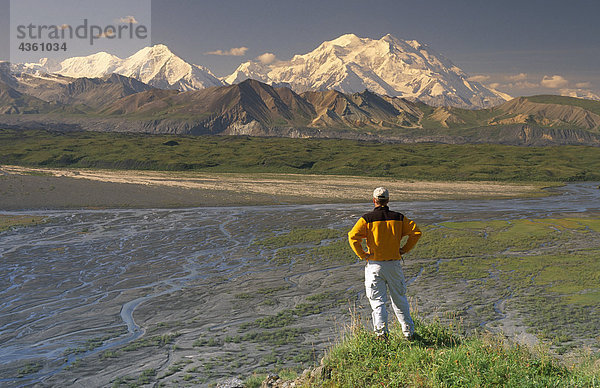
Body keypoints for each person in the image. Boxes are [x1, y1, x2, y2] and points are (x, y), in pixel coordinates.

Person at [348, 187, 422, 340]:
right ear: (388, 200)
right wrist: (403, 250)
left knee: (378, 302)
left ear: (374, 200)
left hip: (374, 265)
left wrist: (363, 255)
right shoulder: (399, 218)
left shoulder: (366, 219)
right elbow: (416, 233)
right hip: (394, 264)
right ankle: (409, 333)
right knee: (400, 299)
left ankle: (382, 335)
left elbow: (352, 237)